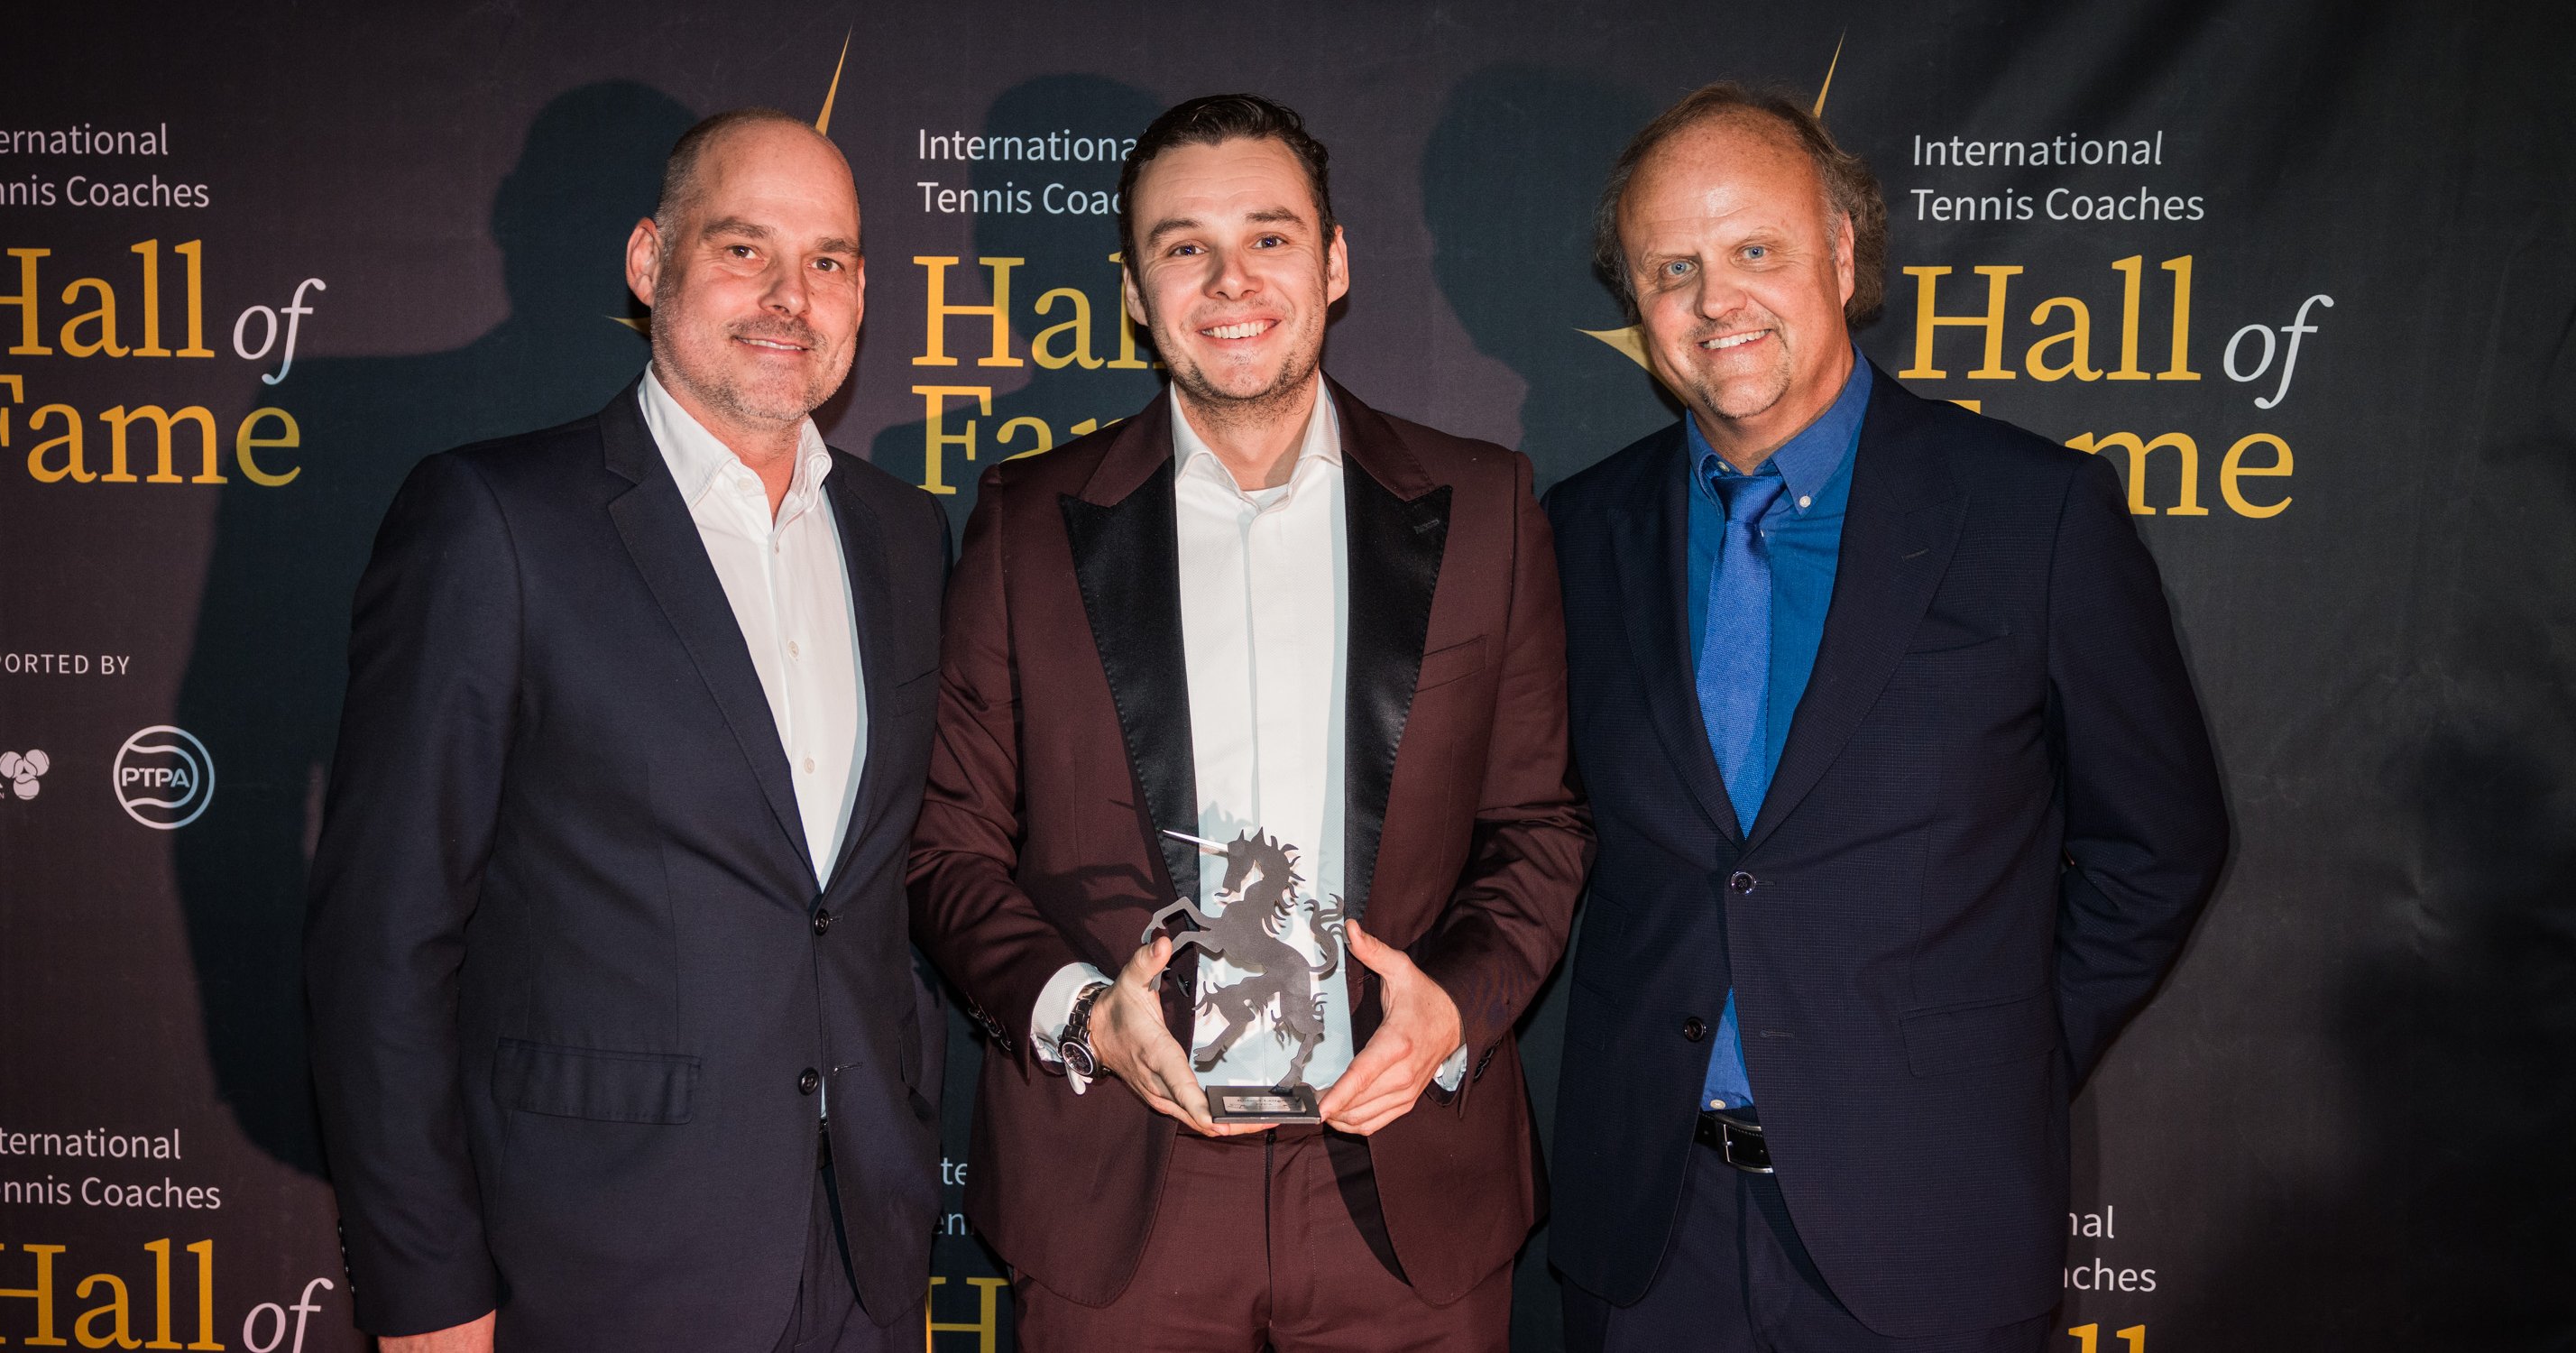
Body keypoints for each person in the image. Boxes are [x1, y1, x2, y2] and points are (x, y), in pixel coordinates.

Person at [1542, 84, 2228, 1351]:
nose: (1716, 300)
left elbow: (2158, 845)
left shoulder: (2036, 516)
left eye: (1756, 249)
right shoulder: (1577, 534)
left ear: (1843, 254)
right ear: (1637, 302)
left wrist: (1995, 1064)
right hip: (1648, 1242)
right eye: (1673, 268)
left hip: (1932, 1230)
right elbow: (1544, 830)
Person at [907, 93, 1591, 1351]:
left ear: (1334, 264)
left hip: (1406, 1181)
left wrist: (1455, 1007)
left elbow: (1537, 827)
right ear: (1135, 291)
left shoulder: (1486, 506)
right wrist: (1085, 1016)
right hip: (1122, 1184)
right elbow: (949, 849)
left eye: (1270, 237)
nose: (1232, 280)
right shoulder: (1025, 524)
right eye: (1186, 246)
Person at [304, 108, 947, 1352]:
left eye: (826, 260)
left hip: (862, 1254)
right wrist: (426, 1286)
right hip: (593, 1258)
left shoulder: (904, 534)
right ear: (651, 262)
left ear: (862, 293)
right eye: (744, 248)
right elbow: (382, 938)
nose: (789, 295)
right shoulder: (495, 521)